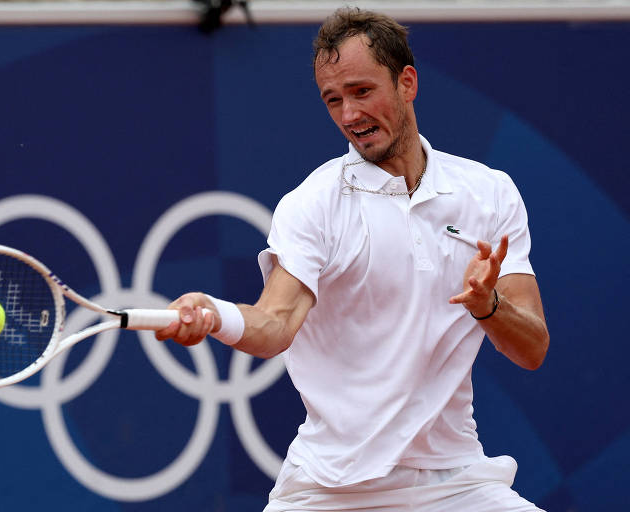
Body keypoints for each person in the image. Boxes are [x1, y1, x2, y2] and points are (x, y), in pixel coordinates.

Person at [155, 7, 550, 511]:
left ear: (407, 82)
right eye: (333, 99)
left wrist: (487, 305)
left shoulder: (490, 194)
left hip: (455, 482)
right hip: (329, 487)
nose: (348, 115)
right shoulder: (313, 204)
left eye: (362, 92)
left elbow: (532, 348)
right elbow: (275, 324)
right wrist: (215, 313)